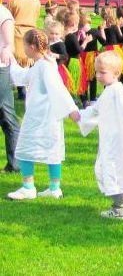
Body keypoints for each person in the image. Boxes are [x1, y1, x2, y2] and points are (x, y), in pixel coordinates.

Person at [7, 29, 80, 200]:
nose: (23, 49)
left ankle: (28, 186)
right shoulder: (45, 64)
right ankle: (54, 188)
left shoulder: (44, 66)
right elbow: (24, 77)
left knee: (26, 148)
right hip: (49, 116)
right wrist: (12, 62)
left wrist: (71, 109)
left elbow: (57, 88)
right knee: (52, 149)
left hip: (40, 116)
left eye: (25, 46)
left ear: (32, 47)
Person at [78, 51, 123, 220]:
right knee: (107, 169)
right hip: (109, 139)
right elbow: (96, 111)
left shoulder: (119, 92)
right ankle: (122, 200)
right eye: (97, 72)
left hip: (118, 141)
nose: (98, 76)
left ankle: (118, 209)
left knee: (114, 170)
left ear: (116, 73)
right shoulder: (109, 91)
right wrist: (79, 115)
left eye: (103, 72)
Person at [7, 0, 41, 100]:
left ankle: (21, 89)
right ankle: (29, 86)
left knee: (18, 61)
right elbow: (37, 15)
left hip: (16, 31)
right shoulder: (35, 0)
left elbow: (8, 16)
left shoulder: (13, 0)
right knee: (30, 59)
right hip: (31, 30)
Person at [0, 3, 20, 173]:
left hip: (0, 69)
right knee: (6, 114)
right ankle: (14, 164)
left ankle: (15, 163)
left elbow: (9, 44)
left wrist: (7, 50)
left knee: (6, 114)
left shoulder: (3, 14)